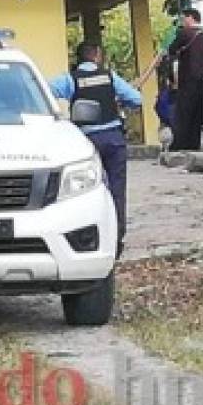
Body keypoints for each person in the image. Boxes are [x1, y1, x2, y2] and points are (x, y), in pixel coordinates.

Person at [50, 41, 142, 255]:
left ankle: (89, 237)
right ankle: (117, 239)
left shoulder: (70, 80)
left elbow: (44, 91)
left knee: (87, 192)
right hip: (113, 139)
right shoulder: (109, 77)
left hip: (87, 143)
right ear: (97, 56)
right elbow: (136, 99)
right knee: (117, 190)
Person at [166, 8, 203, 151]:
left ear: (191, 18)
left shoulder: (184, 34)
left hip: (187, 80)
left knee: (184, 113)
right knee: (197, 115)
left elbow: (171, 50)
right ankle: (194, 144)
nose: (183, 21)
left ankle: (181, 144)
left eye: (184, 18)